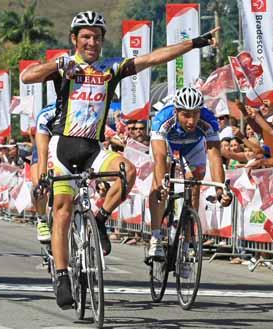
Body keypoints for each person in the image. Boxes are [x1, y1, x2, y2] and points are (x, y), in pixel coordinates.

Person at [21, 10, 219, 309]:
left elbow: (154, 58)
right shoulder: (64, 67)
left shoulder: (110, 69)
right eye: (86, 36)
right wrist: (56, 64)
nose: (92, 42)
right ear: (74, 39)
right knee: (62, 210)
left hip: (93, 148)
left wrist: (195, 43)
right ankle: (62, 275)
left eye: (97, 37)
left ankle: (99, 219)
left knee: (127, 171)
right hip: (63, 147)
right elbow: (26, 76)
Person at [148, 87, 232, 259]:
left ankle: (186, 244)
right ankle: (156, 238)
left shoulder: (208, 121)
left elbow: (215, 158)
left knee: (194, 184)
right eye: (186, 115)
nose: (191, 121)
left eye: (195, 114)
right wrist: (163, 183)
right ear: (176, 111)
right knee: (159, 186)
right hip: (168, 146)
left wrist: (220, 190)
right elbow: (160, 156)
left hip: (192, 148)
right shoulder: (163, 118)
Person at [31, 103, 57, 243]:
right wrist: (42, 180)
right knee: (39, 186)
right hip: (45, 149)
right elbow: (42, 156)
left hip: (68, 150)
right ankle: (41, 219)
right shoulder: (47, 114)